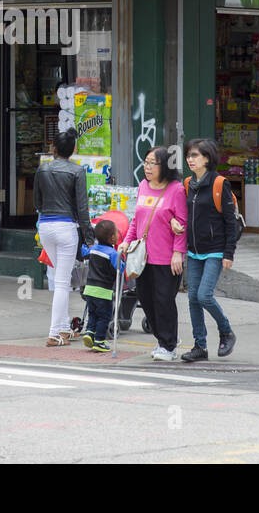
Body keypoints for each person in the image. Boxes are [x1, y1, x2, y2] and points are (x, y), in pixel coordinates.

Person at [174, 138, 239, 362]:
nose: (190, 159)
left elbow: (230, 223)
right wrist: (176, 223)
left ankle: (226, 331)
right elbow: (185, 214)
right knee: (193, 298)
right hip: (194, 250)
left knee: (204, 295)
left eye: (195, 155)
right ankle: (199, 346)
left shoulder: (220, 184)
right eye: (188, 155)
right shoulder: (187, 184)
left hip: (215, 250)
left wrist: (229, 253)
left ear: (207, 158)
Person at [120, 146, 187, 362]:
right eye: (146, 162)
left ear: (164, 166)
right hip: (142, 257)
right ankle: (163, 340)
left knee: (164, 301)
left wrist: (178, 253)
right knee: (146, 300)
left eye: (152, 163)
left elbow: (182, 224)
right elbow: (136, 220)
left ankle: (169, 344)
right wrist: (126, 242)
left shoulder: (176, 190)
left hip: (166, 258)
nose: (147, 167)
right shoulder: (142, 186)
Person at [33, 128, 91, 346]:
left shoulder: (43, 169)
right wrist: (89, 236)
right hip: (67, 227)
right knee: (62, 282)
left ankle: (64, 327)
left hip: (46, 227)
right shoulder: (77, 171)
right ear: (73, 150)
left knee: (59, 278)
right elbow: (82, 208)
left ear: (53, 148)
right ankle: (54, 332)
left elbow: (37, 203)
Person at [80, 218, 121, 353]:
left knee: (93, 314)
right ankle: (99, 341)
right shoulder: (113, 254)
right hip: (103, 291)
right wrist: (124, 259)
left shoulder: (93, 250)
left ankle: (89, 333)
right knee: (104, 316)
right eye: (116, 233)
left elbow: (84, 252)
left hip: (89, 288)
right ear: (112, 238)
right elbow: (119, 268)